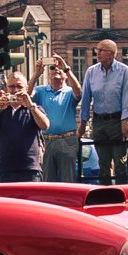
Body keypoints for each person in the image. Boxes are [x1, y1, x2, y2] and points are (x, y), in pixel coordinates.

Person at [79, 39, 128, 185]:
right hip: (99, 122)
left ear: (111, 54)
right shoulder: (91, 72)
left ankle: (122, 192)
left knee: (120, 163)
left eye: (101, 50)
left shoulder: (124, 71)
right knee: (103, 163)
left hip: (116, 122)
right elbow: (85, 99)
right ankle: (105, 194)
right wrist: (82, 124)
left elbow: (127, 98)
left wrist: (124, 122)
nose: (97, 53)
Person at [0, 71, 47, 183]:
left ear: (26, 88)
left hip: (30, 168)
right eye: (12, 86)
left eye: (19, 86)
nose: (16, 90)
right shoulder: (2, 110)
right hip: (7, 168)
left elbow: (45, 125)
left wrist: (31, 106)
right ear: (7, 88)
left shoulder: (34, 108)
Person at [33, 55, 82, 183]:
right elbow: (25, 95)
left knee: (68, 180)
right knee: (48, 181)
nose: (57, 70)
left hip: (67, 140)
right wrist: (36, 74)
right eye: (53, 67)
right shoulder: (40, 91)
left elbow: (79, 92)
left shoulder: (69, 91)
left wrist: (67, 69)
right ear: (48, 74)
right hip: (47, 141)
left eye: (59, 68)